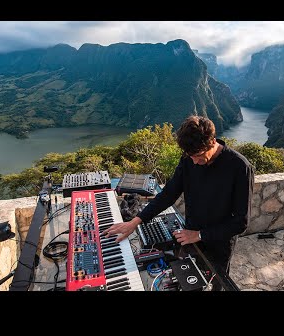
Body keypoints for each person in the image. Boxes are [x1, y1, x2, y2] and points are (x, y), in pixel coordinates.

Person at [102, 115, 254, 288]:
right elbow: (169, 193)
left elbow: (241, 222)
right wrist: (136, 221)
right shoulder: (188, 159)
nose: (194, 162)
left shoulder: (240, 167)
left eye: (198, 156)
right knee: (189, 281)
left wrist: (198, 235)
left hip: (218, 244)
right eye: (190, 156)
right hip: (190, 236)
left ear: (212, 142)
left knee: (214, 284)